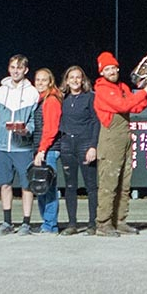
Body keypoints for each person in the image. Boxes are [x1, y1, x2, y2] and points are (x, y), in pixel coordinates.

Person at [93, 51, 147, 237]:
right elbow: (122, 106)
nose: (112, 71)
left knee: (124, 183)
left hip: (125, 137)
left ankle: (119, 220)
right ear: (102, 72)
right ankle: (103, 223)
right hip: (111, 139)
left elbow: (136, 107)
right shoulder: (103, 89)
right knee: (109, 183)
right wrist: (144, 91)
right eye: (108, 68)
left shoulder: (122, 87)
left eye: (113, 67)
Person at [0, 55, 39, 236]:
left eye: (19, 68)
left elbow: (34, 123)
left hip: (23, 148)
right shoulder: (0, 91)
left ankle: (26, 222)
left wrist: (26, 130)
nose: (15, 71)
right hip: (3, 147)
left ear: (26, 70)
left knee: (26, 185)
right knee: (5, 184)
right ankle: (7, 222)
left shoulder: (32, 93)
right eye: (12, 67)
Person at [56, 66, 101, 236]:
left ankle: (92, 223)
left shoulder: (90, 98)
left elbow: (97, 122)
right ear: (66, 81)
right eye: (71, 77)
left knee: (90, 186)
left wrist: (93, 146)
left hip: (85, 144)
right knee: (70, 186)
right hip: (67, 144)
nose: (75, 80)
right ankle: (72, 224)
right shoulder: (63, 99)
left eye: (78, 77)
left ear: (83, 80)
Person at [32, 68, 63, 234]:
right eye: (38, 80)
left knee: (48, 187)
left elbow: (51, 129)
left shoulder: (51, 100)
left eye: (44, 80)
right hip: (41, 149)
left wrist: (42, 150)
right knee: (41, 187)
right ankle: (47, 222)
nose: (40, 83)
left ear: (50, 81)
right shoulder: (40, 99)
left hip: (49, 150)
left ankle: (50, 225)